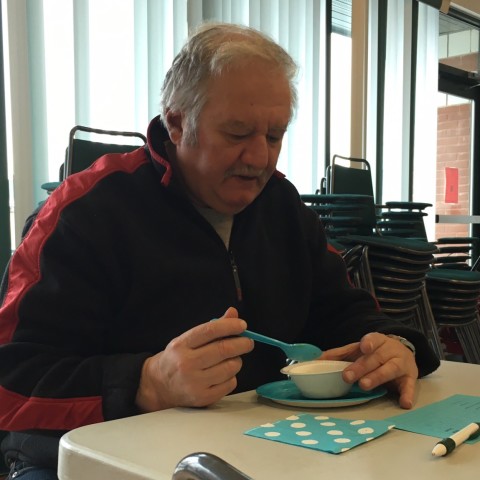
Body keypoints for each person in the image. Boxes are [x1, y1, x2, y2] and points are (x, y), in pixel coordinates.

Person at [0, 22, 439, 480]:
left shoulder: (282, 207)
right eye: (236, 133)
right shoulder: (84, 213)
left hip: (251, 449)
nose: (259, 159)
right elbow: (12, 381)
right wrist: (145, 382)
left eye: (274, 135)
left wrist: (395, 346)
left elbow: (343, 313)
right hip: (82, 459)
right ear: (176, 123)